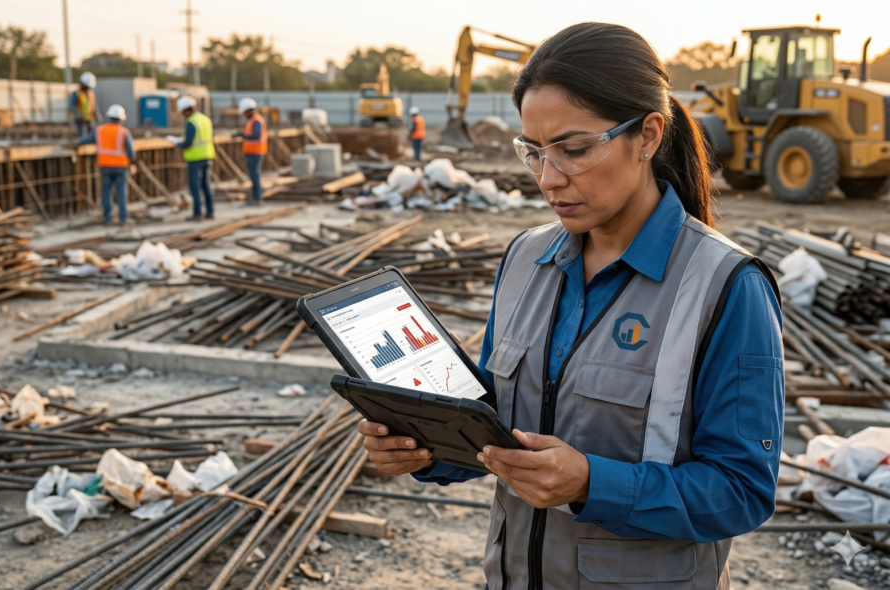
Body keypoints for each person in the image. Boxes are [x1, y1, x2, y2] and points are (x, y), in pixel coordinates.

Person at [357, 22, 783, 589]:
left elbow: (741, 492)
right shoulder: (525, 259)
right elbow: (500, 430)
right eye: (533, 153)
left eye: (574, 150)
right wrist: (426, 448)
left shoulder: (726, 286)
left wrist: (590, 484)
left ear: (649, 135)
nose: (549, 179)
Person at [76, 104, 137, 225]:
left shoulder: (100, 130)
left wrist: (76, 142)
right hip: (121, 167)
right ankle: (123, 219)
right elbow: (131, 152)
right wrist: (133, 164)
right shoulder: (123, 132)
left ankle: (108, 218)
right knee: (121, 193)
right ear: (121, 119)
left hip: (105, 166)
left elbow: (85, 139)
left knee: (106, 193)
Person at [173, 96, 216, 220]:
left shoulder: (192, 122)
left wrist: (177, 144)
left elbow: (188, 142)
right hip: (207, 156)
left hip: (195, 158)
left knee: (195, 187)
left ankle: (197, 214)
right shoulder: (205, 119)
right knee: (206, 186)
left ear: (185, 110)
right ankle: (210, 212)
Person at [233, 97, 267, 206]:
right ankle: (256, 198)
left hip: (256, 153)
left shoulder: (256, 120)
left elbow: (256, 135)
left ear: (248, 110)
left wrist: (242, 135)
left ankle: (257, 199)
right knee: (254, 176)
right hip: (253, 153)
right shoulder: (253, 120)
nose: (244, 114)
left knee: (255, 176)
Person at [70, 72, 100, 136]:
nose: (89, 87)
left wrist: (97, 115)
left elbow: (93, 105)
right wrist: (78, 114)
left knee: (91, 135)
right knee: (81, 135)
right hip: (79, 120)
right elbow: (71, 106)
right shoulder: (76, 94)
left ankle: (88, 145)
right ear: (83, 84)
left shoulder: (91, 93)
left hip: (89, 118)